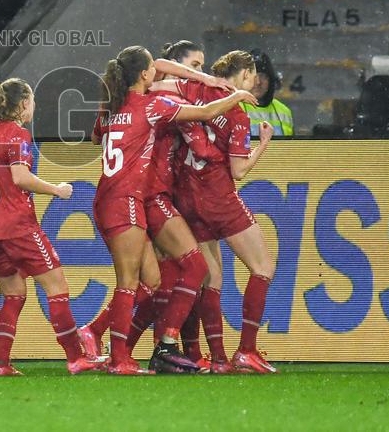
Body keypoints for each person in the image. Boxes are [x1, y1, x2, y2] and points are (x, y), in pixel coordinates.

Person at [89, 46, 256, 375]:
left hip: (115, 197)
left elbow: (97, 137)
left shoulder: (113, 107)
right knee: (136, 281)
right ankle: (128, 353)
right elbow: (206, 118)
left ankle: (127, 346)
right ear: (144, 74)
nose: (158, 70)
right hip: (135, 199)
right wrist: (235, 96)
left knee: (152, 281)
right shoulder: (154, 105)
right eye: (152, 67)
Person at [0, 78, 102, 376]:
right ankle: (75, 357)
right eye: (31, 101)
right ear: (22, 104)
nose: (34, 106)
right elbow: (20, 177)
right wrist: (56, 189)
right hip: (19, 226)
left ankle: (0, 363)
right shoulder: (17, 135)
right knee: (57, 287)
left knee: (13, 295)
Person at [157, 50, 276, 373]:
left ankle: (219, 359)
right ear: (245, 74)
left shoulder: (196, 89)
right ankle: (246, 350)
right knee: (263, 267)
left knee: (212, 278)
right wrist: (263, 144)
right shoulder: (237, 115)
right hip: (219, 199)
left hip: (186, 197)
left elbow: (156, 83)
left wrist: (196, 77)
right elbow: (239, 171)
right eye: (252, 76)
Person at [243, 49, 294, 136]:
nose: (258, 82)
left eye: (263, 76)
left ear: (270, 80)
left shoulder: (284, 112)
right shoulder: (233, 108)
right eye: (254, 76)